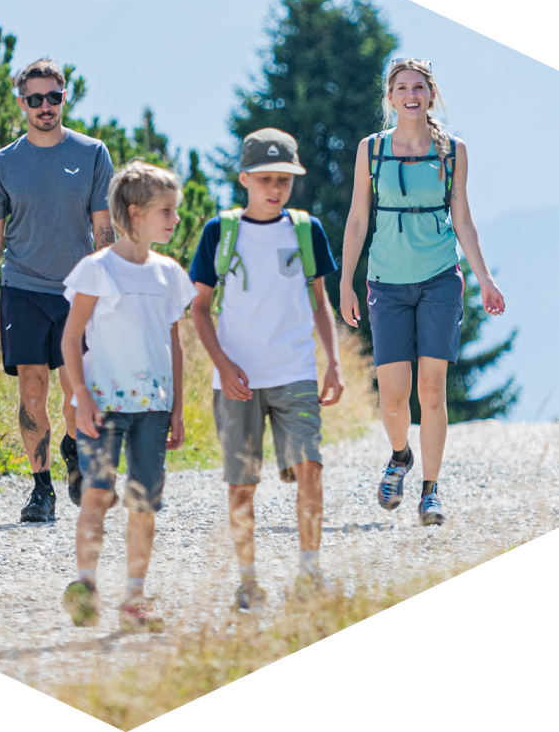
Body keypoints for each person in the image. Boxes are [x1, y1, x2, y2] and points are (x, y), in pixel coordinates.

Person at [339, 58, 505, 526]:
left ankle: (430, 492)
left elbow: (464, 221)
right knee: (393, 397)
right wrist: (347, 281)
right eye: (402, 88)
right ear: (389, 98)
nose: (411, 95)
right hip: (386, 282)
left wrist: (485, 279)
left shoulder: (453, 151)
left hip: (439, 279)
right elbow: (357, 219)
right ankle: (399, 456)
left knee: (431, 391)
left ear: (431, 95)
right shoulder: (371, 150)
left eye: (419, 87)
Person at [190, 128, 344, 612]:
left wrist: (335, 362)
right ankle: (248, 580)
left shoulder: (305, 229)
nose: (275, 189)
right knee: (242, 482)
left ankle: (310, 572)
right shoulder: (220, 231)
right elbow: (199, 309)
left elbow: (321, 301)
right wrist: (223, 364)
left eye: (284, 179)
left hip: (295, 369)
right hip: (237, 380)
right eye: (265, 179)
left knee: (311, 469)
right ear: (244, 179)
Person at [0, 58, 115, 523]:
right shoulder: (4, 163)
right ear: (22, 104)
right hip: (23, 289)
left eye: (53, 97)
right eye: (35, 99)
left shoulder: (92, 153)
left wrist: (108, 290)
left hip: (79, 292)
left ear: (63, 98)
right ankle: (42, 490)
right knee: (32, 392)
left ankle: (75, 448)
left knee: (76, 392)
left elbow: (104, 229)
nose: (45, 106)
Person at [59, 161, 197, 632]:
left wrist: (177, 408)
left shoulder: (170, 274)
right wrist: (80, 396)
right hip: (102, 406)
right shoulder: (96, 270)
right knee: (97, 493)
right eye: (167, 211)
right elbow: (70, 338)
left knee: (143, 504)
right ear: (135, 213)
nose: (175, 219)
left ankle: (134, 600)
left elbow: (174, 345)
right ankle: (85, 585)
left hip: (153, 411)